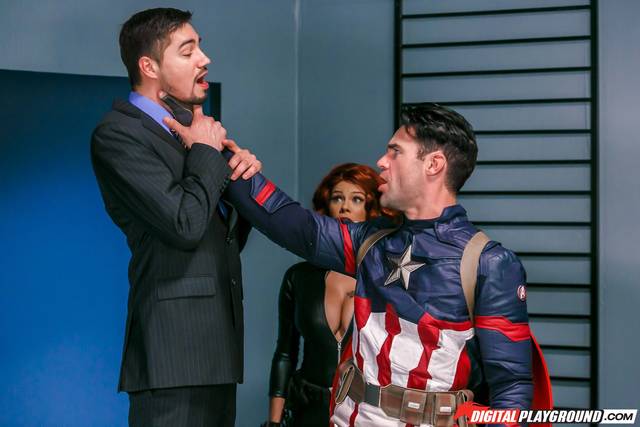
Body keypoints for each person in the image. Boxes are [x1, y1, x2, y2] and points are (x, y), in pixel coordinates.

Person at [209, 104, 552, 427]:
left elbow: (511, 388)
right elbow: (291, 224)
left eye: (395, 152)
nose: (381, 162)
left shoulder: (488, 263)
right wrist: (219, 157)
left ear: (433, 164)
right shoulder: (369, 242)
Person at [90, 8, 262, 427]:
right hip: (172, 355)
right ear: (149, 67)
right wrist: (206, 153)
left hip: (219, 350)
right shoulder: (118, 134)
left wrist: (242, 180)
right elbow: (184, 225)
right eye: (188, 51)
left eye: (201, 47)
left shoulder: (196, 129)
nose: (205, 59)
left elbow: (220, 237)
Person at [264, 163, 399, 427]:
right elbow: (285, 353)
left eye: (356, 199)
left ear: (372, 209)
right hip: (307, 409)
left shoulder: (388, 278)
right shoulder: (299, 277)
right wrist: (273, 422)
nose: (344, 207)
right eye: (337, 198)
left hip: (367, 411)